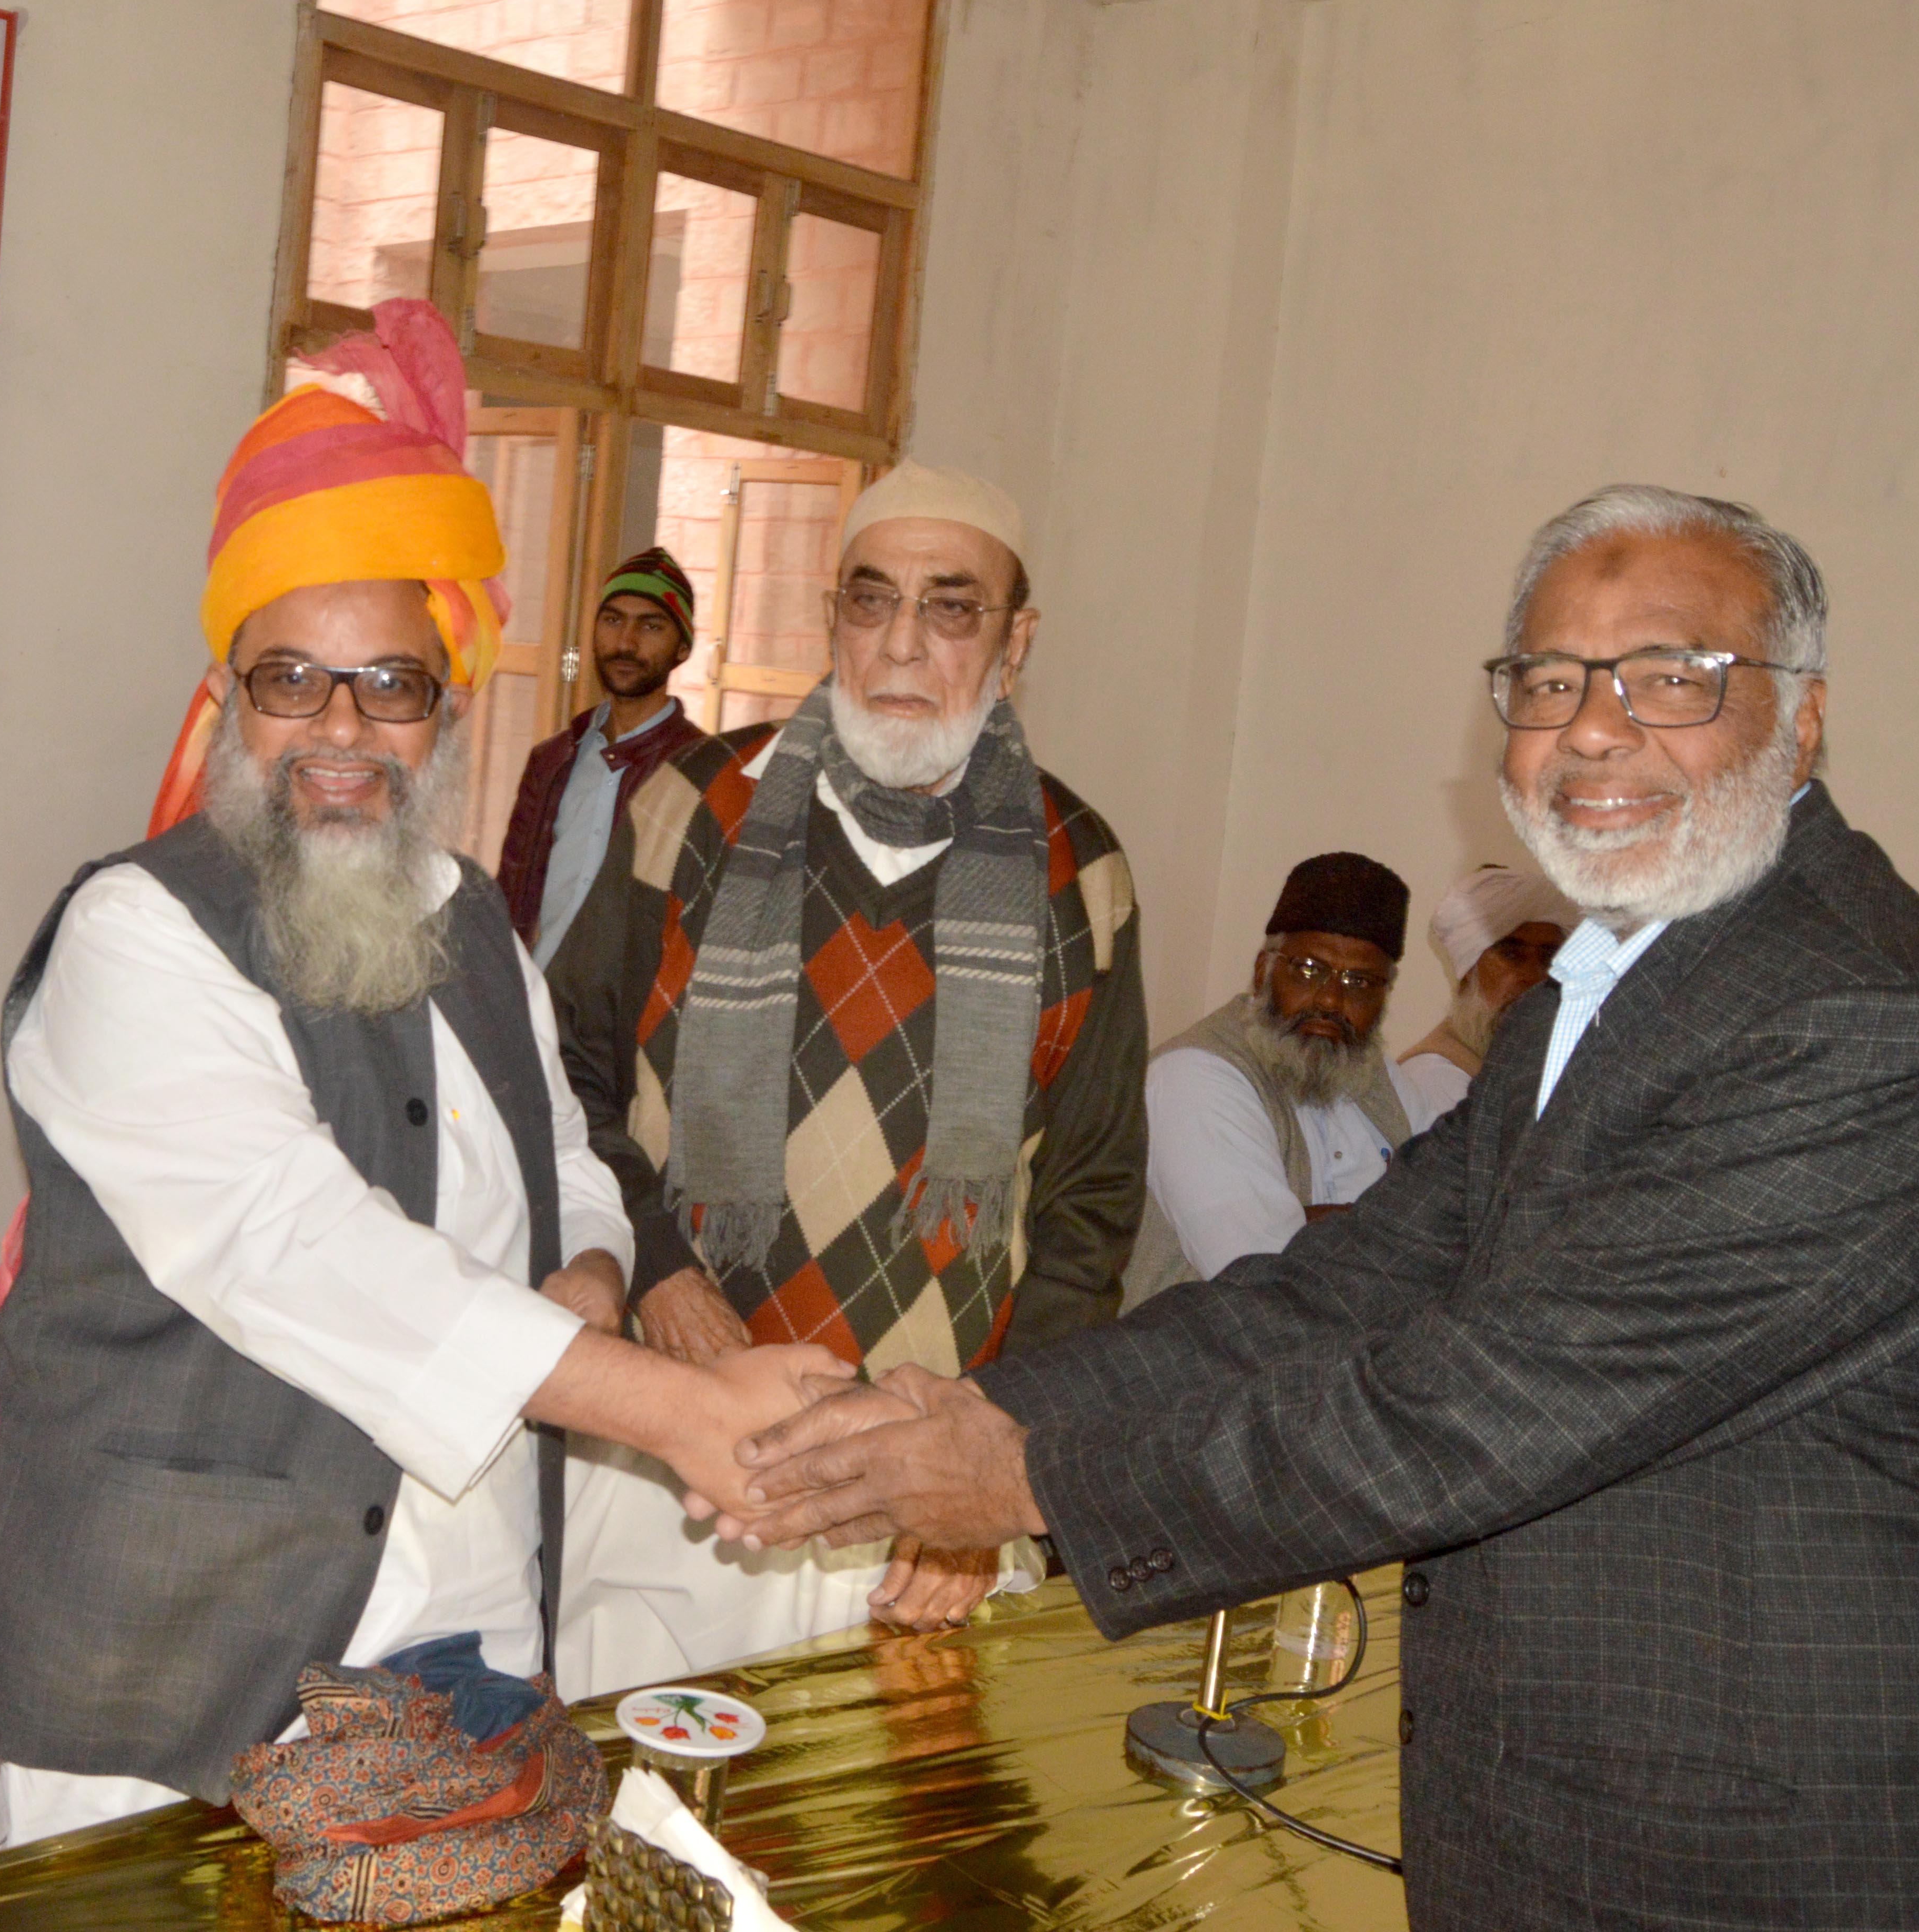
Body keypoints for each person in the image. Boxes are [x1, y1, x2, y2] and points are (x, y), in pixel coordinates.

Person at [713, 485, 1919, 1929]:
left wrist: (1030, 1484)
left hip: (1793, 1868)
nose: (1593, 728)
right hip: (1582, 1830)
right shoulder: (1612, 985)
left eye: (1667, 676)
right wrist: (990, 1410)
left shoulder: (1869, 1029)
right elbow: (1347, 1284)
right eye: (1549, 681)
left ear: (1801, 720)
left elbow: (1480, 1407)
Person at [0, 300, 844, 1853]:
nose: (341, 730)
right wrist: (675, 1406)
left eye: (391, 685)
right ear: (227, 694)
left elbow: (567, 1157)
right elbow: (300, 1248)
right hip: (182, 1693)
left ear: (450, 705)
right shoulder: (133, 933)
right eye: (292, 680)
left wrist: (585, 1269)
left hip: (457, 1649)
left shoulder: (470, 919)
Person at [541, 461, 1147, 1696]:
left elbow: (1087, 1207)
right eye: (871, 601)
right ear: (831, 618)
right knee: (623, 1789)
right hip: (665, 1451)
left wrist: (991, 1463)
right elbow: (558, 1072)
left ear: (1015, 641)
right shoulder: (687, 810)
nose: (902, 644)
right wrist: (657, 1269)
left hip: (910, 1496)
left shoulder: (1079, 872)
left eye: (951, 607)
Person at [1117, 852, 1427, 1307]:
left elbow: (1449, 1214)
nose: (1331, 1000)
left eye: (1359, 983)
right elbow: (1263, 1275)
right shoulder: (1194, 1074)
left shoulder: (1382, 1078)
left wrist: (1318, 1224)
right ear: (1263, 970)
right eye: (1309, 970)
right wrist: (1398, 1230)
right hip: (1206, 1348)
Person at [496, 546, 705, 965]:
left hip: (630, 1004)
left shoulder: (700, 770)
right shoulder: (552, 760)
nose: (626, 643)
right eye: (612, 621)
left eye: (651, 626)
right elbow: (511, 893)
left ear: (682, 648)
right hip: (532, 994)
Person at [1392, 864, 1572, 1121]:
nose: (1534, 978)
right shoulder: (1437, 1077)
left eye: (1548, 958)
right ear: (1469, 969)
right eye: (1511, 955)